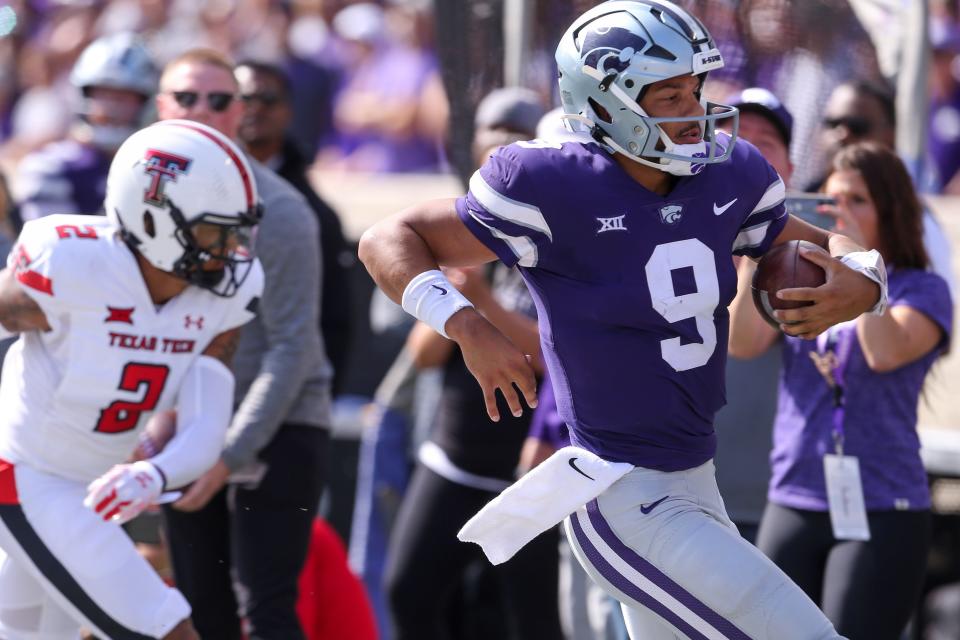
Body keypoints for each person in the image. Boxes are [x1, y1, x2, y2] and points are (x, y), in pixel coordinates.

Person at [358, 2, 888, 638]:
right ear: (603, 102)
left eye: (694, 88)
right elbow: (388, 238)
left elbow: (809, 242)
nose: (693, 110)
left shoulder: (729, 171)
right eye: (668, 94)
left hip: (696, 482)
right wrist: (467, 326)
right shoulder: (549, 183)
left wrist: (865, 281)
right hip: (624, 498)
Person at [0, 119, 264, 640]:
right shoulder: (68, 261)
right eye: (216, 231)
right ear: (153, 220)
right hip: (27, 476)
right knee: (167, 630)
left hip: (94, 486)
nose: (232, 250)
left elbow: (206, 423)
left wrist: (155, 474)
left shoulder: (223, 295)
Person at [730, 141, 952, 639]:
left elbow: (885, 352)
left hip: (881, 501)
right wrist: (753, 257)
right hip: (796, 493)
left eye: (857, 201)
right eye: (831, 201)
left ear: (890, 211)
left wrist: (863, 273)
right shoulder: (799, 279)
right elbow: (743, 343)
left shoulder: (922, 289)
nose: (840, 213)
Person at [156, 49, 333, 640]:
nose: (201, 110)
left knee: (267, 613)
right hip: (182, 429)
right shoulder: (139, 198)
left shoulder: (280, 211)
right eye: (185, 97)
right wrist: (149, 426)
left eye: (220, 99)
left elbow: (293, 350)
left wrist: (227, 452)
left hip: (278, 429)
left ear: (241, 113)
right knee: (199, 612)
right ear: (160, 107)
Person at [234, 60, 354, 395]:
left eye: (268, 99)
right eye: (244, 99)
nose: (255, 109)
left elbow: (333, 321)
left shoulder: (314, 214)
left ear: (288, 111)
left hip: (284, 399)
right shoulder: (195, 191)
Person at [712, 87, 794, 543]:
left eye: (765, 143)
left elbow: (744, 342)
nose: (744, 149)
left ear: (791, 169)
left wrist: (764, 242)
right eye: (731, 135)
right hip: (675, 496)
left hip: (778, 510)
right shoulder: (665, 222)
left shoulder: (806, 249)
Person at [15, 32, 157, 221]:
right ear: (83, 94)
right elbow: (57, 244)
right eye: (102, 94)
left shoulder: (155, 168)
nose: (110, 106)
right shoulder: (52, 167)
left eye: (123, 96)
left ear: (145, 101)